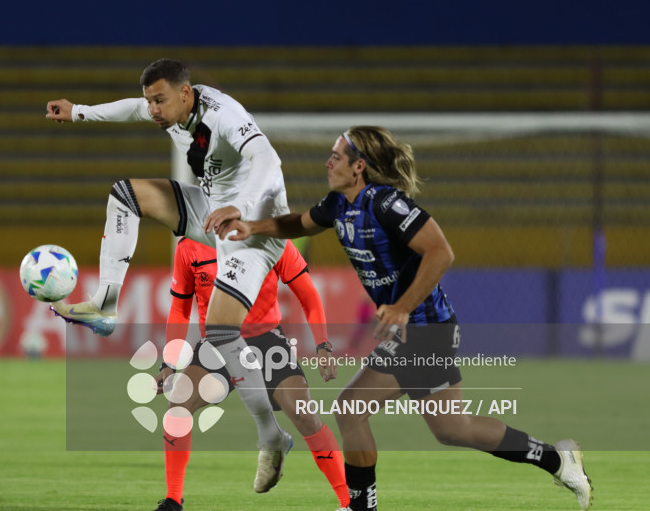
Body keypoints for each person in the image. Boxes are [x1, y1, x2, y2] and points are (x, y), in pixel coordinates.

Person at [217, 126, 594, 511]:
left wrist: (401, 307)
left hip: (426, 330)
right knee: (450, 428)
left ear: (359, 166)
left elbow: (441, 252)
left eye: (336, 155)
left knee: (355, 410)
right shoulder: (338, 204)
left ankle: (362, 506)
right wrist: (253, 227)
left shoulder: (386, 203)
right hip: (414, 333)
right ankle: (556, 459)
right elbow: (298, 223)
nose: (327, 161)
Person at [45, 59, 292, 492]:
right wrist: (79, 110)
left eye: (159, 100)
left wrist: (242, 206)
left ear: (186, 93)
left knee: (219, 332)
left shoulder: (222, 114)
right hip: (213, 211)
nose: (152, 110)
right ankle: (105, 304)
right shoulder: (169, 110)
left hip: (257, 225)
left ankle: (271, 436)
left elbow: (267, 157)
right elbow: (129, 109)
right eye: (150, 101)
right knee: (124, 195)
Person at [152, 237, 350, 511]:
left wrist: (323, 343)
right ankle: (173, 500)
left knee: (304, 414)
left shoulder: (270, 235)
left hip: (265, 341)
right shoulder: (189, 246)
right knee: (178, 408)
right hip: (217, 343)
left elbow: (308, 295)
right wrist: (168, 364)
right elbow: (179, 308)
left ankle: (349, 503)